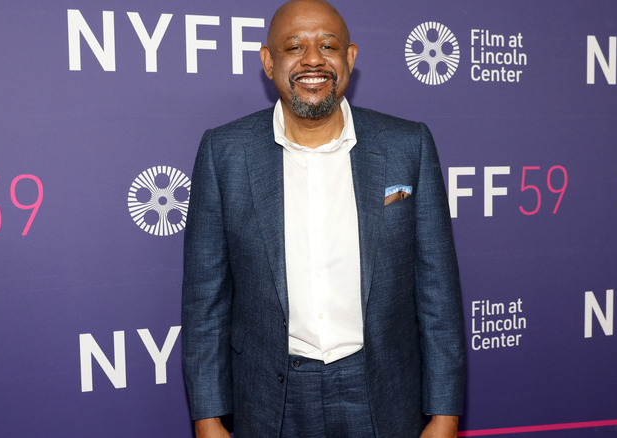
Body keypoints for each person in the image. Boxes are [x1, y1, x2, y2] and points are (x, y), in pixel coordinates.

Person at [181, 0, 465, 436]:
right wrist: (207, 419)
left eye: (327, 46)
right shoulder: (225, 153)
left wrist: (445, 414)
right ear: (268, 61)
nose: (313, 59)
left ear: (349, 58)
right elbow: (205, 303)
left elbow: (438, 294)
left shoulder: (408, 146)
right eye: (294, 47)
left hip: (381, 394)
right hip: (271, 399)